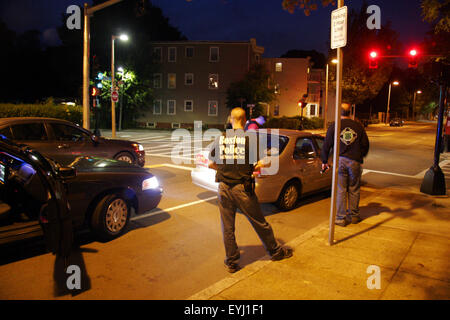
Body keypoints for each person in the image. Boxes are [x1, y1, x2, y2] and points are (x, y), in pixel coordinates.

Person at [208, 107, 292, 273]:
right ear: (245, 121)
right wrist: (256, 165)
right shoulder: (251, 140)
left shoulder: (222, 138)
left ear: (231, 119)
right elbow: (263, 163)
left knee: (228, 228)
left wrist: (225, 169)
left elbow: (211, 164)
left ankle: (231, 262)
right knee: (260, 223)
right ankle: (275, 252)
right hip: (242, 189)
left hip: (224, 188)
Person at [321, 103, 370, 227]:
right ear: (350, 112)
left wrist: (324, 161)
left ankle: (340, 218)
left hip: (340, 160)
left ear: (339, 112)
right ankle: (354, 216)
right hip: (354, 161)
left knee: (341, 190)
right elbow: (365, 145)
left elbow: (326, 145)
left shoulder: (335, 126)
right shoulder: (358, 127)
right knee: (354, 189)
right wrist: (359, 156)